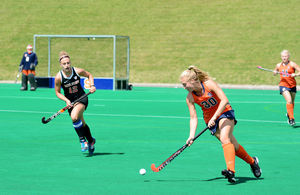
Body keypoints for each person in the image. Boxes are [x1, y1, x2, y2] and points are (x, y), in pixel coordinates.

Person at [180, 65, 261, 183]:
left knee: (224, 138)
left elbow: (224, 99)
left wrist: (215, 116)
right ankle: (253, 162)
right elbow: (193, 118)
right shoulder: (190, 97)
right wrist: (191, 135)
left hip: (224, 112)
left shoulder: (208, 84)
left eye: (184, 84)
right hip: (210, 121)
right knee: (233, 145)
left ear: (192, 81)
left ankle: (231, 171)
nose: (183, 87)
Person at [54, 51, 96, 154]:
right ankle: (91, 141)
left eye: (68, 63)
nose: (67, 65)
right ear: (60, 65)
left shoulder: (77, 71)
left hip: (82, 98)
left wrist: (92, 86)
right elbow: (58, 93)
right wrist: (66, 100)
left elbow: (89, 75)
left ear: (70, 62)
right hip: (71, 102)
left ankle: (82, 141)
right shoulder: (58, 77)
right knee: (82, 123)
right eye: (64, 64)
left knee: (74, 116)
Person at [273, 50, 300, 126]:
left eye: (285, 56)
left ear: (288, 57)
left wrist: (296, 74)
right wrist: (274, 72)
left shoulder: (292, 64)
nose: (284, 58)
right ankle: (291, 118)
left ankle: (289, 114)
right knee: (289, 100)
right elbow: (275, 71)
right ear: (281, 57)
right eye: (283, 56)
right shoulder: (278, 65)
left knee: (292, 102)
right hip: (283, 85)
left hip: (292, 85)